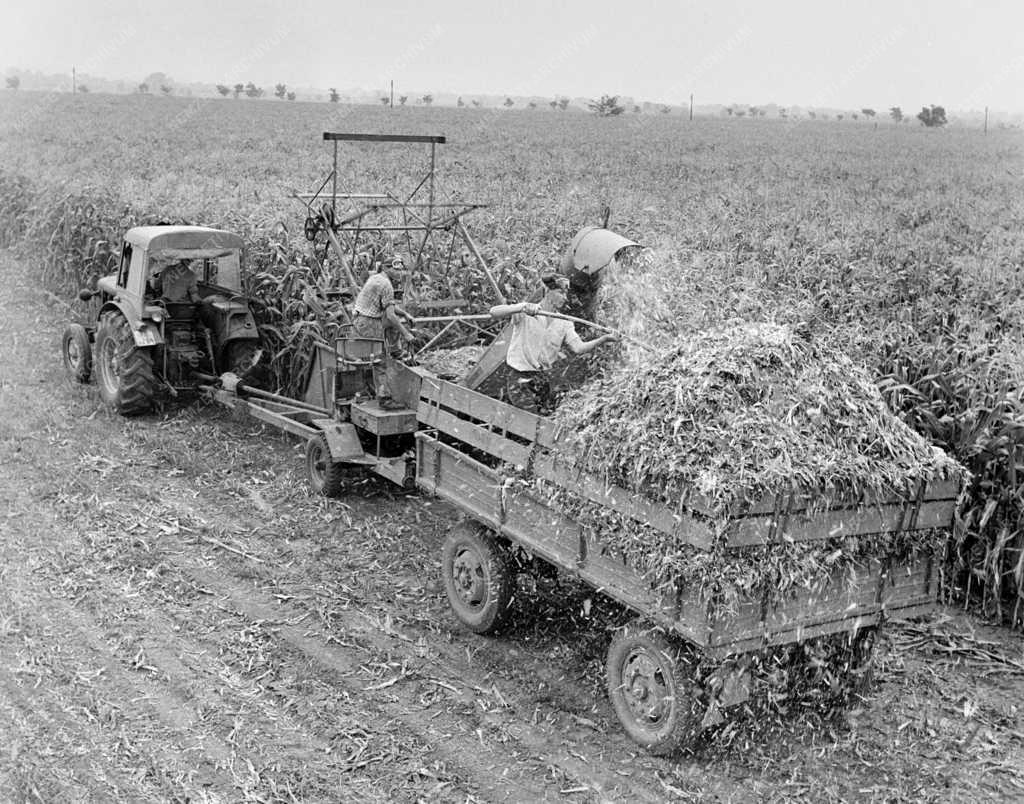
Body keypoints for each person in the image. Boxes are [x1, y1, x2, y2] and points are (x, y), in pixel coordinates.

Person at [489, 271, 616, 414]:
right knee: (532, 416)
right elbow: (494, 312)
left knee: (548, 416)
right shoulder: (526, 312)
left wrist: (604, 339)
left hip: (541, 380)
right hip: (519, 378)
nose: (565, 297)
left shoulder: (564, 323)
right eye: (561, 292)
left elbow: (579, 348)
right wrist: (521, 306)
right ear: (548, 291)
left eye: (566, 293)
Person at [352, 255, 416, 410]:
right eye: (395, 269)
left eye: (401, 269)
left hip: (360, 320)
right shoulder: (386, 285)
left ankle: (395, 352)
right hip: (369, 323)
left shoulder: (376, 278)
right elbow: (390, 315)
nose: (399, 272)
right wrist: (406, 333)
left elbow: (390, 307)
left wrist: (405, 315)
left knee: (371, 356)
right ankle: (385, 399)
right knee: (380, 361)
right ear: (386, 268)